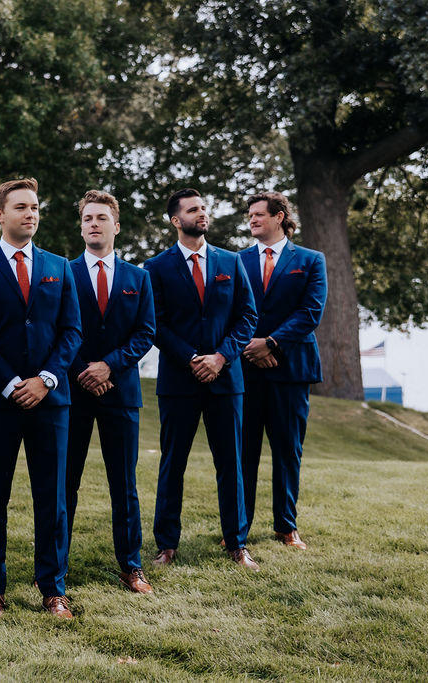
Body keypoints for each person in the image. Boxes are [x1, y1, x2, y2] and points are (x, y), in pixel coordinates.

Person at [0, 178, 82, 619]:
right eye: (20, 207)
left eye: (35, 206)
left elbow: (71, 330)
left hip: (51, 403)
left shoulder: (59, 266)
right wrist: (12, 382)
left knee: (51, 499)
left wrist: (47, 379)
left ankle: (53, 588)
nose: (30, 213)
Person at [144, 188, 259, 570]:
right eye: (194, 210)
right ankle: (166, 545)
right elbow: (154, 324)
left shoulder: (231, 260)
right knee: (172, 463)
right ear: (176, 220)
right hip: (179, 380)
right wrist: (192, 357)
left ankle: (237, 544)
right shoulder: (155, 268)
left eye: (204, 208)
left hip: (227, 380)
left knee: (232, 462)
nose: (202, 213)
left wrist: (222, 356)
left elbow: (247, 316)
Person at [66, 190, 155, 593]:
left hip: (121, 392)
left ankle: (131, 566)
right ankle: (55, 566)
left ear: (116, 226)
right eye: (87, 219)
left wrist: (109, 366)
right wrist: (84, 368)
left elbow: (146, 333)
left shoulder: (139, 278)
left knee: (125, 484)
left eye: (101, 218)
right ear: (81, 226)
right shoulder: (63, 273)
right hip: (72, 392)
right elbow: (58, 330)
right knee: (65, 483)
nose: (94, 224)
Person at [239, 191, 327, 550]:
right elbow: (231, 310)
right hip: (245, 368)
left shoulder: (310, 260)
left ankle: (286, 526)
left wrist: (271, 343)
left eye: (259, 214)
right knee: (243, 451)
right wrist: (252, 348)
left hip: (291, 369)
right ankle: (238, 528)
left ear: (279, 217)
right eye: (250, 215)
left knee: (288, 450)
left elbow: (311, 312)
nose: (252, 219)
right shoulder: (236, 260)